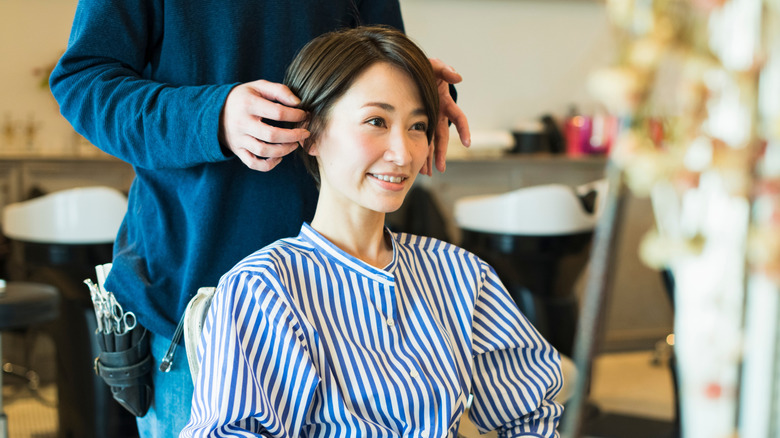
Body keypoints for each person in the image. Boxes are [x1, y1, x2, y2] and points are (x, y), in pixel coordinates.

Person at [49, 2, 469, 436]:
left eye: (416, 127)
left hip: (344, 304)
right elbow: (83, 82)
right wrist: (212, 116)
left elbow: (376, 55)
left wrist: (412, 88)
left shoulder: (460, 278)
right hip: (194, 306)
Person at [181, 26, 563, 438]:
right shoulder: (263, 290)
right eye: (376, 121)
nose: (403, 154)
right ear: (311, 132)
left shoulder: (460, 275)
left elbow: (531, 417)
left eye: (418, 126)